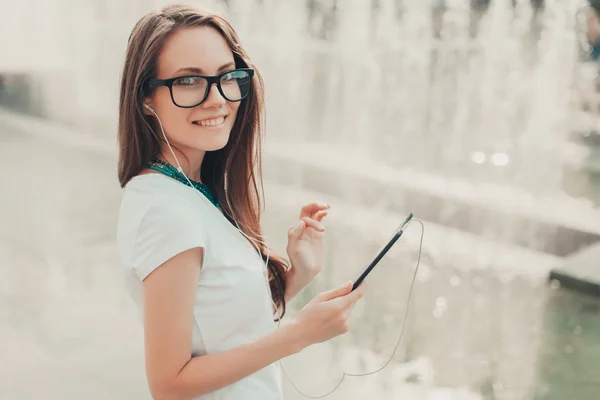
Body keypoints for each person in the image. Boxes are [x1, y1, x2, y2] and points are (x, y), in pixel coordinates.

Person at [115, 4, 367, 400]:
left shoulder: (190, 192)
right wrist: (300, 334)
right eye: (188, 81)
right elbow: (169, 383)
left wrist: (296, 276)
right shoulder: (167, 211)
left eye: (227, 77)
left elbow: (220, 328)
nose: (217, 99)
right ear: (146, 96)